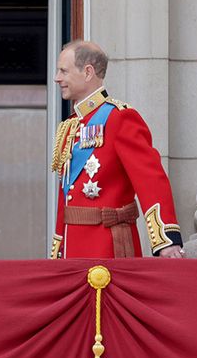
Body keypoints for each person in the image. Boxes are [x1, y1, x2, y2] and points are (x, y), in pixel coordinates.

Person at [49, 40, 184, 259]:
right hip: (72, 249)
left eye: (63, 71)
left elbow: (151, 179)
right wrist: (59, 248)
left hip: (108, 245)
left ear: (88, 72)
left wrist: (165, 240)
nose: (57, 78)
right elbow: (68, 198)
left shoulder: (120, 117)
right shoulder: (72, 124)